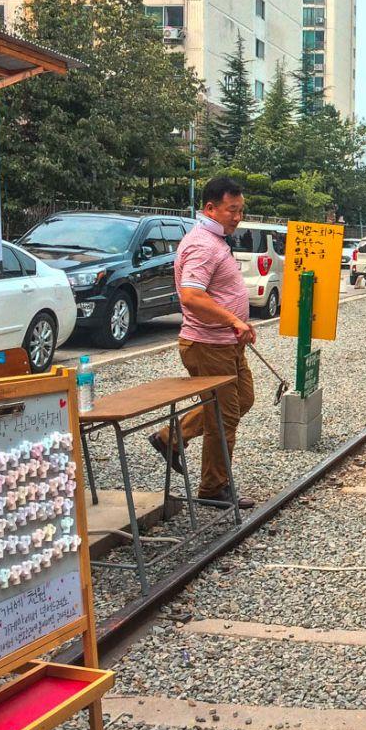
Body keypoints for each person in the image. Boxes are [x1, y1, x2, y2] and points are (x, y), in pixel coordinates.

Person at [148, 176, 258, 509]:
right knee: (223, 417)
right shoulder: (202, 245)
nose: (237, 217)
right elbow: (192, 296)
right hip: (208, 344)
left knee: (242, 400)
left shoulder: (216, 240)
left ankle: (171, 437)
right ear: (210, 208)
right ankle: (214, 488)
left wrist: (237, 323)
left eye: (240, 210)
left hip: (227, 343)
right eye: (231, 210)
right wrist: (233, 319)